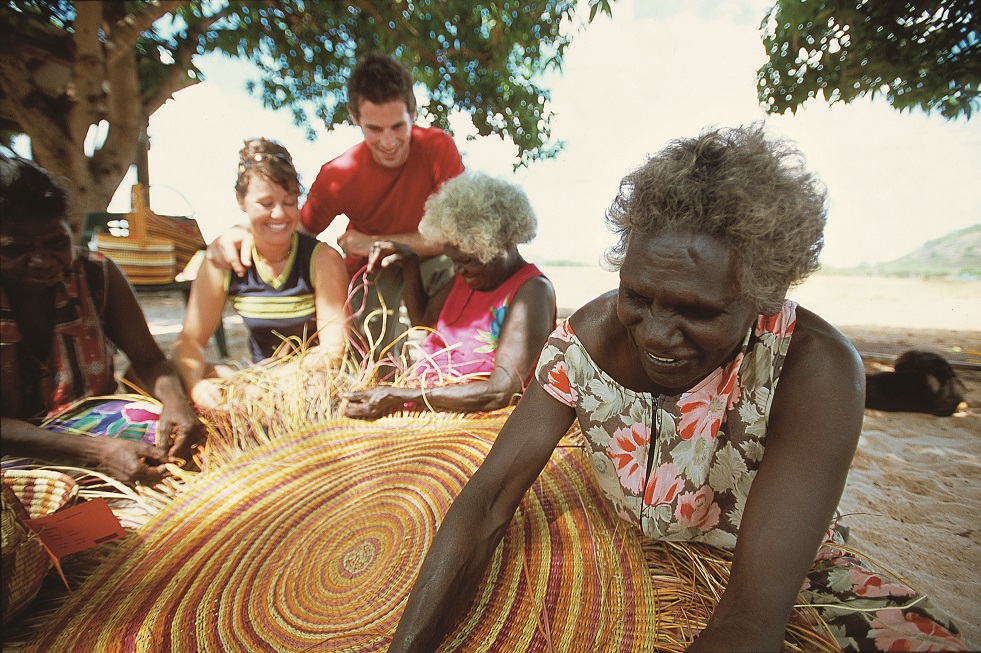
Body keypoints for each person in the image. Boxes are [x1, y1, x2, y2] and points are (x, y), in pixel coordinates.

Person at [386, 126, 968, 652]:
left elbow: (752, 614)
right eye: (637, 296)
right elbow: (487, 502)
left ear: (764, 295)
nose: (656, 334)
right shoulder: (586, 343)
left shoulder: (815, 368)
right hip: (628, 551)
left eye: (698, 311)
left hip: (774, 572)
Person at [207, 51, 465, 366]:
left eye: (398, 126)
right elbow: (293, 229)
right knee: (371, 350)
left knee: (454, 270)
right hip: (372, 270)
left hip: (427, 260)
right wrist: (243, 231)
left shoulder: (438, 147)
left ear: (413, 112)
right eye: (374, 129)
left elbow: (458, 236)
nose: (388, 142)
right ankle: (388, 375)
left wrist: (374, 241)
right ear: (355, 118)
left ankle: (454, 362)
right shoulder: (338, 175)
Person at [0, 155, 202, 485]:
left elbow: (150, 361)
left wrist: (175, 402)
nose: (41, 260)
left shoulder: (96, 275)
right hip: (14, 445)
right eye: (14, 250)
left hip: (91, 423)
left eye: (55, 242)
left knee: (176, 439)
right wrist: (97, 452)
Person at [342, 172, 556, 418]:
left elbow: (500, 392)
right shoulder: (468, 277)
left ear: (500, 247)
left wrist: (401, 395)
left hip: (478, 419)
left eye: (467, 261)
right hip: (428, 406)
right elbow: (423, 322)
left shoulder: (532, 291)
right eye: (453, 260)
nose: (458, 270)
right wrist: (411, 264)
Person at [172, 138, 349, 409]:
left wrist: (272, 381)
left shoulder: (322, 259)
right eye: (266, 203)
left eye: (289, 202)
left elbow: (333, 351)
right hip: (257, 378)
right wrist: (195, 384)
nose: (279, 214)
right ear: (241, 200)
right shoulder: (224, 260)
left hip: (311, 380)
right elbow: (190, 340)